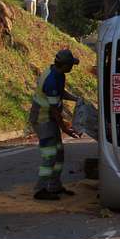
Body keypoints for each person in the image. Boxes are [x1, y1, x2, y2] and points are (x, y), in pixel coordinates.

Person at [29, 49, 82, 200]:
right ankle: (40, 189)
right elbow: (54, 111)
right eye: (71, 64)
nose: (73, 67)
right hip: (42, 119)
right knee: (50, 154)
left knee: (59, 153)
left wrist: (76, 99)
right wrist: (66, 129)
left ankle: (54, 186)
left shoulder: (58, 74)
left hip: (49, 118)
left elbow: (60, 92)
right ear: (64, 65)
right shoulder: (51, 79)